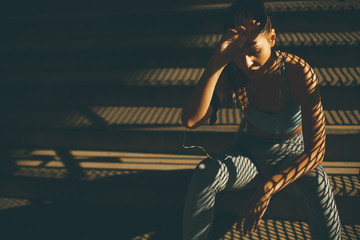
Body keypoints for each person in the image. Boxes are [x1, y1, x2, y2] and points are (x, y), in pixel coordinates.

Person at [180, 0, 342, 239]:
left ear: (272, 39)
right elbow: (191, 120)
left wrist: (269, 187)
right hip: (249, 156)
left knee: (318, 179)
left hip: (290, 154)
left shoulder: (298, 72)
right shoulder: (233, 72)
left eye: (254, 50)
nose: (247, 63)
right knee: (206, 171)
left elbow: (316, 152)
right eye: (238, 54)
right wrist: (218, 60)